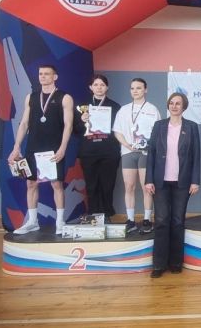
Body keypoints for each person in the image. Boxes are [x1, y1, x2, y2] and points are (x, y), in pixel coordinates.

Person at [7, 65, 74, 235]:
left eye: (47, 74)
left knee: (56, 184)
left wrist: (63, 148)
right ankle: (32, 221)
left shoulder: (64, 98)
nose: (42, 77)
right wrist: (16, 147)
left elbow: (68, 125)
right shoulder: (31, 97)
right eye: (40, 74)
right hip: (33, 146)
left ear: (55, 77)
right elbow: (24, 123)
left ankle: (60, 222)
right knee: (31, 183)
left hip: (53, 148)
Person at [145, 92, 200, 277]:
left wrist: (195, 180)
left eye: (178, 103)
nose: (174, 106)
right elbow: (151, 153)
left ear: (184, 107)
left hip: (182, 182)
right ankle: (159, 265)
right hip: (160, 181)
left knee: (177, 221)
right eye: (171, 103)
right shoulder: (159, 125)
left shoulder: (191, 127)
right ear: (168, 105)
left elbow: (196, 155)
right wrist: (149, 179)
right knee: (161, 220)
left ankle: (176, 262)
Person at [113, 78, 161, 234]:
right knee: (129, 186)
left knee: (147, 187)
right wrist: (127, 145)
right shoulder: (124, 110)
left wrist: (149, 145)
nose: (135, 91)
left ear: (145, 90)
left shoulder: (153, 109)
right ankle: (130, 220)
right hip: (128, 152)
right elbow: (117, 131)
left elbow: (158, 132)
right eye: (132, 88)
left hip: (146, 153)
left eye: (139, 88)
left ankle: (147, 219)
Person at [76, 74, 121, 220]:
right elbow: (75, 130)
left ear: (107, 87)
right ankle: (93, 216)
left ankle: (107, 215)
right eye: (96, 85)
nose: (99, 88)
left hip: (109, 151)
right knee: (91, 185)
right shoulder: (82, 107)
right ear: (90, 87)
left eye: (102, 85)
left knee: (107, 184)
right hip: (89, 152)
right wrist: (81, 121)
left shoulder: (115, 106)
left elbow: (119, 129)